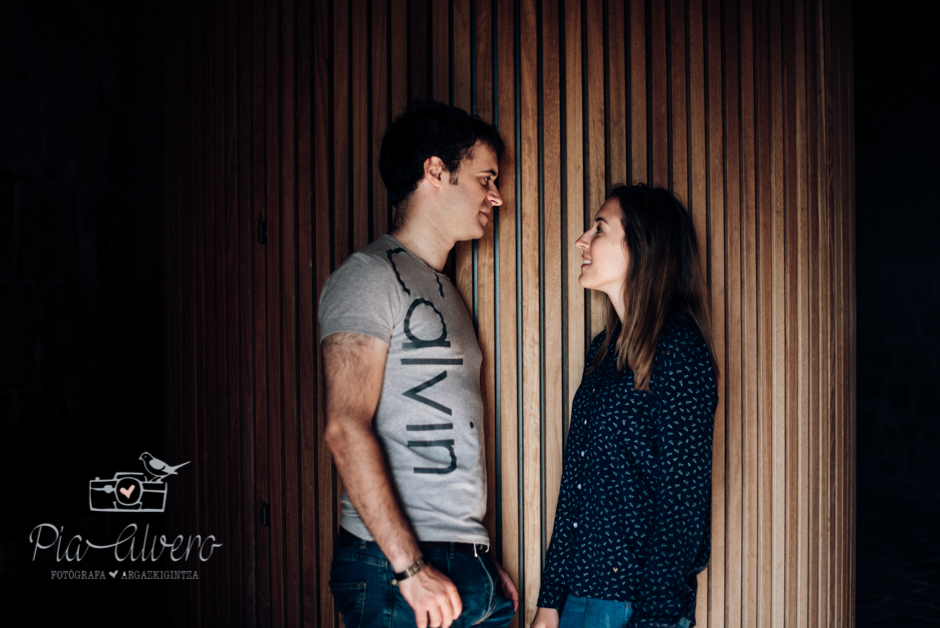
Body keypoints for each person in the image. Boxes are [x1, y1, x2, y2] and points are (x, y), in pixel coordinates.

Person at [319, 101, 519, 628]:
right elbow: (345, 428)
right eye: (486, 178)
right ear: (436, 171)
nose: (496, 197)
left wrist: (477, 558)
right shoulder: (368, 276)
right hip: (398, 572)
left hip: (465, 568)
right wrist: (410, 567)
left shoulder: (444, 289)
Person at [531, 185, 719, 628]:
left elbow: (684, 503)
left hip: (632, 606)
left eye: (598, 228)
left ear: (642, 246)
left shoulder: (679, 351)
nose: (582, 240)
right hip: (578, 599)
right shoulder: (603, 351)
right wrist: (550, 601)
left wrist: (652, 619)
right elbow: (576, 481)